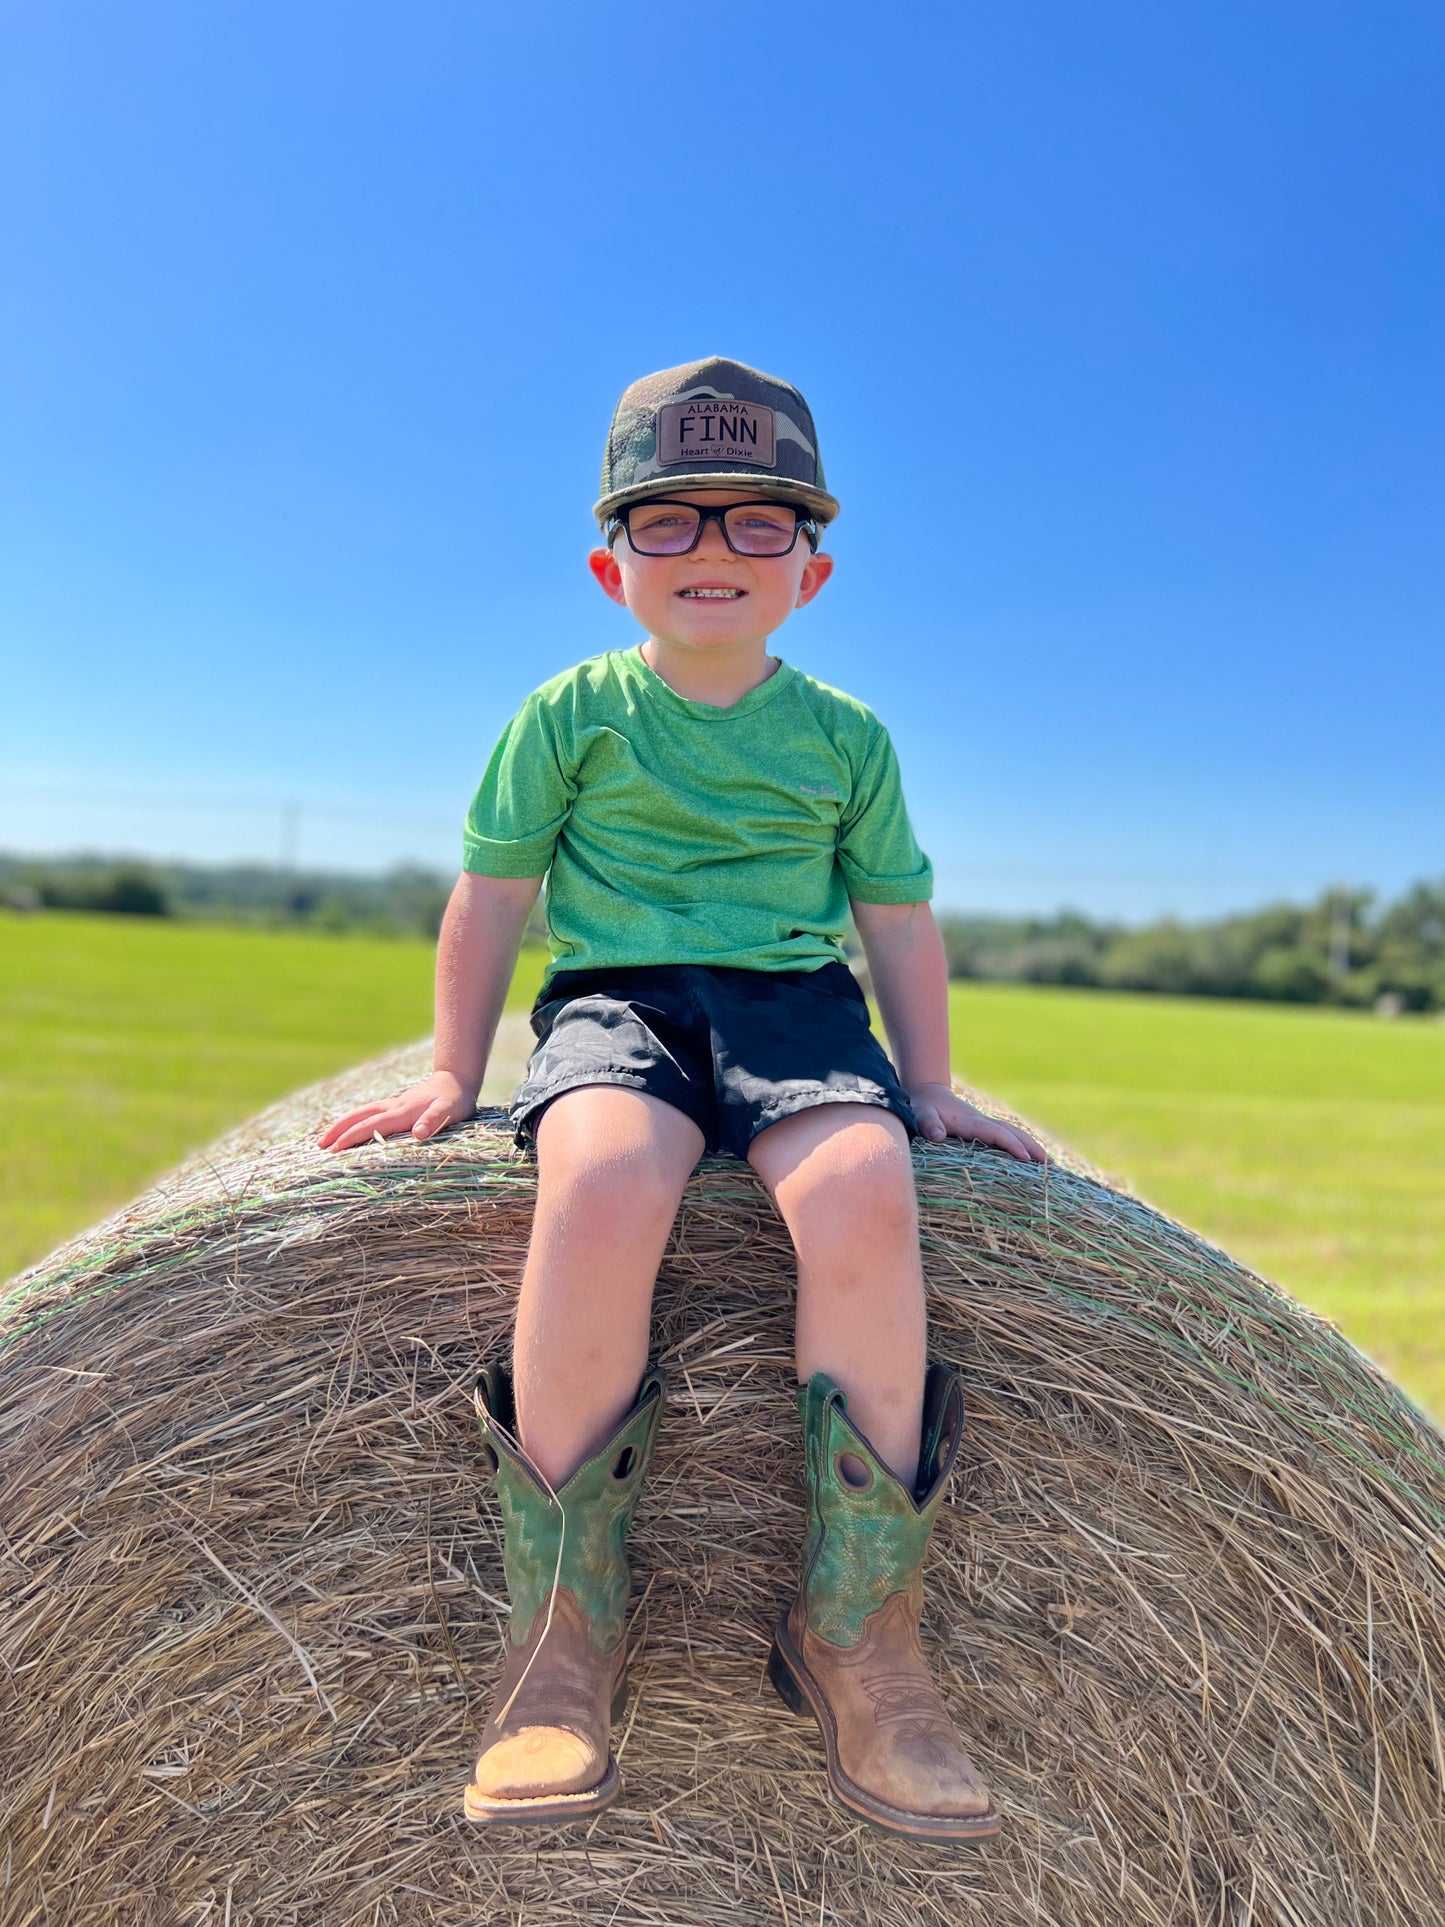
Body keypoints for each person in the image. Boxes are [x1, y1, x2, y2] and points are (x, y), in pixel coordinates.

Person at [319, 357, 1045, 1843]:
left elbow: (897, 920)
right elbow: (493, 893)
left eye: (755, 525)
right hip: (617, 1001)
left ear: (812, 574)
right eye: (670, 523)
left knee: (862, 1188)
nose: (712, 550)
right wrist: (455, 1070)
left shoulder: (849, 740)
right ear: (610, 567)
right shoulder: (568, 713)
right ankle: (558, 1643)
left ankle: (857, 1635)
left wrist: (929, 1088)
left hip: (793, 1005)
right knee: (597, 1184)